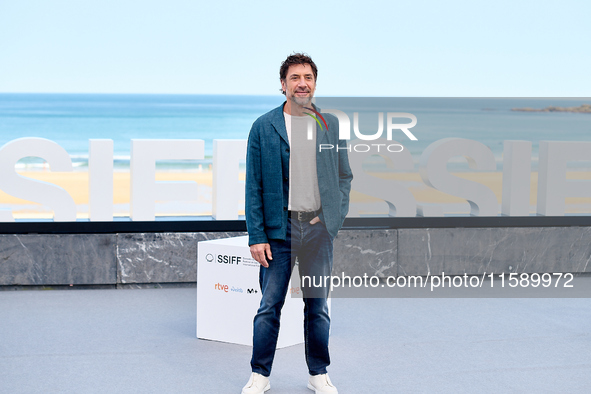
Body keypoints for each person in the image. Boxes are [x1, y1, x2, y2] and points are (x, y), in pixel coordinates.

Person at [242, 53, 353, 394]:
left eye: (307, 77)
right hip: (279, 232)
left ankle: (318, 373)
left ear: (314, 83)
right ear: (283, 84)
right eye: (294, 77)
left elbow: (344, 177)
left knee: (317, 307)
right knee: (268, 306)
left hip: (318, 231)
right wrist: (257, 235)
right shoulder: (264, 126)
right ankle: (260, 375)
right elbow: (254, 186)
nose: (302, 83)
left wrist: (331, 220)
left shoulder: (330, 124)